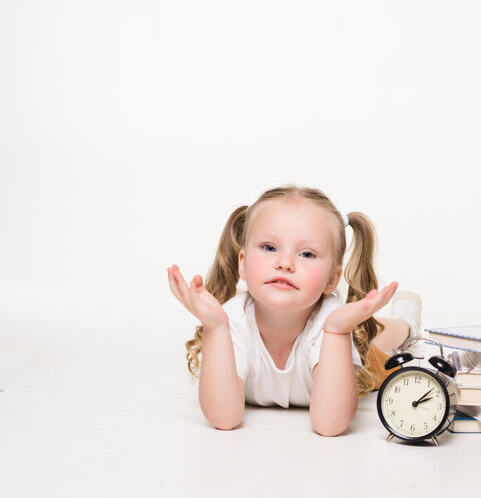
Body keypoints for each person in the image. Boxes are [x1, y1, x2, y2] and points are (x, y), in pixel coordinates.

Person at [166, 184, 423, 436]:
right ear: (242, 264)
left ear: (332, 279)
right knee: (370, 333)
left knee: (375, 338)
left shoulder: (332, 321)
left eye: (307, 254)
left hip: (338, 335)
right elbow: (224, 418)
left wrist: (337, 332)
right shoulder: (231, 320)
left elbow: (330, 424)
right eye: (269, 248)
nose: (285, 263)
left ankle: (406, 320)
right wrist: (215, 328)